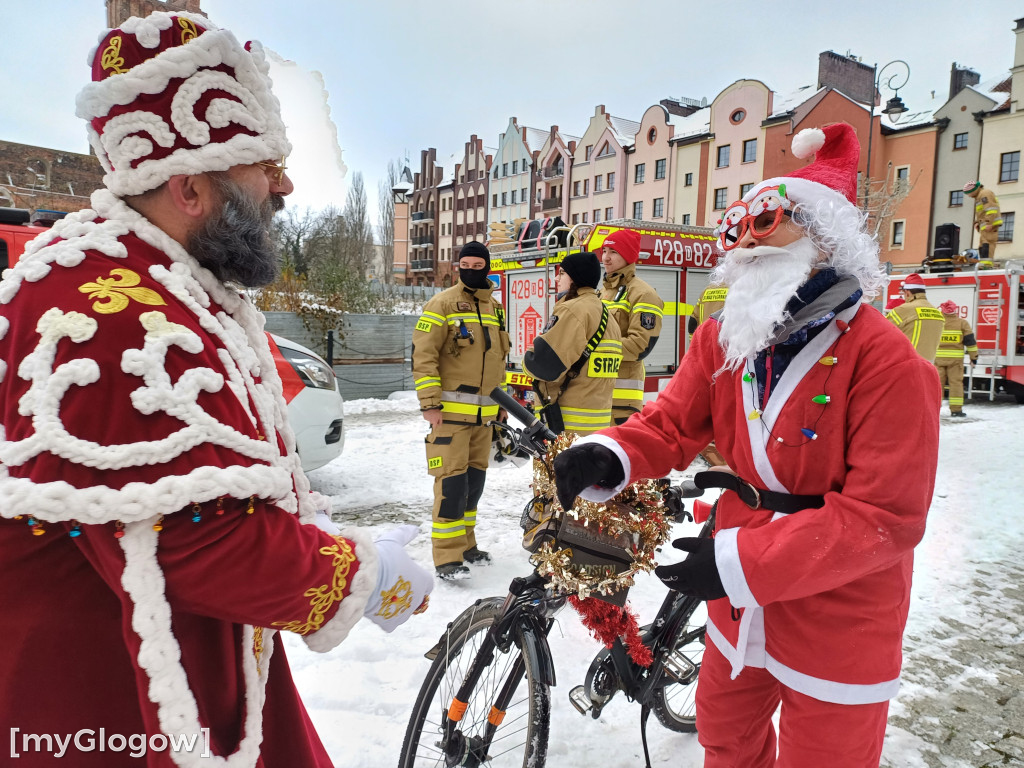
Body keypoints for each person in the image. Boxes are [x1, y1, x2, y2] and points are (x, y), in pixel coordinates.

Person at [0, 11, 432, 768]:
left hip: (174, 659)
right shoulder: (120, 314)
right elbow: (201, 543)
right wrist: (371, 575)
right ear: (191, 189)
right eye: (262, 165)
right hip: (105, 704)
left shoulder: (148, 277)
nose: (284, 185)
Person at [553, 124, 940, 768]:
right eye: (734, 228)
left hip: (840, 608)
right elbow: (672, 425)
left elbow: (886, 518)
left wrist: (740, 564)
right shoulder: (727, 337)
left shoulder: (888, 362)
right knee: (726, 739)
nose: (745, 242)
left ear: (823, 236)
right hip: (738, 606)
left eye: (765, 221)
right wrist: (611, 453)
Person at [412, 240, 509, 578]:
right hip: (449, 416)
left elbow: (499, 360)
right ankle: (446, 557)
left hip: (484, 418)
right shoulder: (441, 304)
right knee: (451, 487)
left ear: (487, 268)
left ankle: (468, 545)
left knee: (473, 486)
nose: (469, 270)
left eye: (477, 264)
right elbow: (423, 356)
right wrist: (430, 404)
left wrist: (503, 404)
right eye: (463, 264)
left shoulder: (495, 309)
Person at [523, 251, 623, 436]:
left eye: (561, 273)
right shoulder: (607, 315)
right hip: (598, 426)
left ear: (575, 278)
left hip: (566, 430)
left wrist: (531, 351)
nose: (556, 278)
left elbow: (542, 365)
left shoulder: (574, 310)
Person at [599, 227, 664, 424]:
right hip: (597, 394)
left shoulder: (643, 294)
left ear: (628, 256)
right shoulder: (603, 292)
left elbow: (640, 346)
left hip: (621, 400)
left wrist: (594, 349)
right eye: (604, 251)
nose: (606, 258)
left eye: (613, 252)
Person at [886, 273, 944, 360]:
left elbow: (882, 331)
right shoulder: (938, 313)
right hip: (929, 365)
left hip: (908, 363)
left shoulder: (903, 310)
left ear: (907, 292)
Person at [936, 299, 979, 417]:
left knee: (937, 385)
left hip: (937, 361)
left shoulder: (937, 322)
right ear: (955, 310)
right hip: (955, 362)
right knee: (956, 384)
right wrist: (973, 357)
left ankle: (934, 410)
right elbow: (970, 342)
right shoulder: (962, 323)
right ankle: (956, 410)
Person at [963, 181, 1002, 262]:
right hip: (986, 226)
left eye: (969, 193)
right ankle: (984, 264)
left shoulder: (984, 194)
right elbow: (983, 212)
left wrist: (989, 223)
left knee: (987, 244)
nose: (969, 196)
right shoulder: (980, 196)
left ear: (973, 190)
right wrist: (977, 222)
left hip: (989, 225)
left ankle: (986, 264)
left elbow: (991, 209)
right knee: (983, 245)